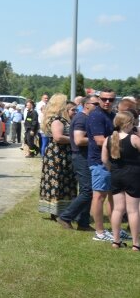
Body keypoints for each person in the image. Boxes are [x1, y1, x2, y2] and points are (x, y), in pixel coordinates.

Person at [57, 94, 99, 231]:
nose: (98, 106)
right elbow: (79, 140)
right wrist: (99, 139)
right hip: (81, 157)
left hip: (86, 157)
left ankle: (83, 222)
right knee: (87, 190)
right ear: (86, 105)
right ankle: (66, 216)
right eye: (95, 104)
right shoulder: (81, 118)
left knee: (88, 190)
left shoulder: (87, 117)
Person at [103, 111, 140, 250]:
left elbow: (104, 160)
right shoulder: (134, 138)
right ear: (128, 123)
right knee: (133, 210)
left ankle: (116, 241)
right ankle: (136, 243)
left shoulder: (108, 139)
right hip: (133, 175)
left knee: (118, 209)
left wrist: (112, 169)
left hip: (116, 174)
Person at [37, 94, 76, 219]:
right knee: (58, 182)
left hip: (60, 154)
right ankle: (56, 211)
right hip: (58, 154)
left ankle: (62, 210)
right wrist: (75, 139)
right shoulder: (57, 120)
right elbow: (58, 137)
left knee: (62, 181)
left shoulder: (58, 118)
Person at [88, 89, 117, 242]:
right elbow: (100, 141)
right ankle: (99, 232)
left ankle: (115, 230)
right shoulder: (96, 116)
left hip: (112, 161)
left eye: (111, 100)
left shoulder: (112, 115)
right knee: (99, 197)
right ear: (99, 99)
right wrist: (124, 143)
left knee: (113, 197)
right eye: (104, 99)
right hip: (99, 162)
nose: (107, 102)